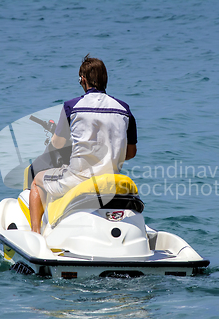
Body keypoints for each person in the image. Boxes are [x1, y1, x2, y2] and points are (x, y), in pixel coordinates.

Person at [29, 55, 138, 233]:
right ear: (105, 79)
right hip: (110, 180)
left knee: (37, 181)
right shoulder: (124, 109)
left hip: (78, 179)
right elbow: (131, 152)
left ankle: (35, 234)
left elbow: (57, 144)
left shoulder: (72, 107)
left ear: (83, 80)